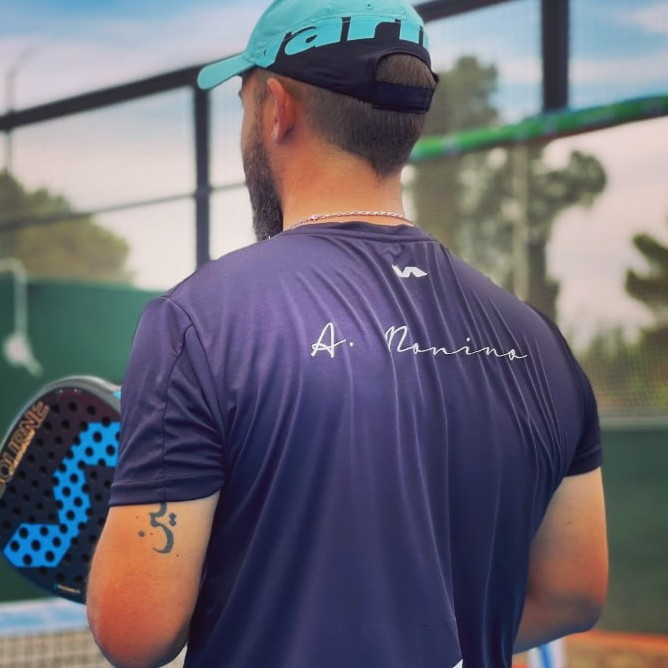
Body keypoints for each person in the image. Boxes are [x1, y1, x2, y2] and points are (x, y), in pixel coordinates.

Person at [86, 0, 608, 666]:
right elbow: (573, 595)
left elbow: (135, 634)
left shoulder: (197, 323)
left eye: (245, 103)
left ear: (277, 108)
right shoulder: (540, 344)